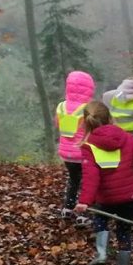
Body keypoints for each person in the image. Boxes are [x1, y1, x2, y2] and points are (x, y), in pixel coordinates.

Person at [74, 101, 133, 265]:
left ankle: (102, 253)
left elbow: (91, 177)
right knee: (124, 230)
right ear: (110, 118)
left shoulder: (89, 146)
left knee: (100, 221)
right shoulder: (126, 137)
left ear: (86, 122)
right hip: (131, 196)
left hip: (106, 200)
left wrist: (84, 201)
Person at [56, 71, 95, 225]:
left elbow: (57, 124)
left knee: (73, 179)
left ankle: (68, 207)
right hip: (83, 153)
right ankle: (83, 214)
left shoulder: (61, 106)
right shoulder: (88, 108)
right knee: (87, 183)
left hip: (66, 154)